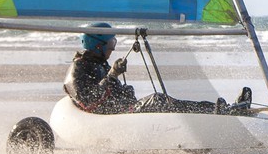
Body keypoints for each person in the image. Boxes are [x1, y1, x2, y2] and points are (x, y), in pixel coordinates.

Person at [63, 24, 256, 115]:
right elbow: (89, 100)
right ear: (98, 46)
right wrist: (113, 75)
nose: (113, 47)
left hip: (123, 110)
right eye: (110, 42)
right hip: (112, 117)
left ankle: (221, 109)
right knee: (158, 99)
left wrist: (123, 89)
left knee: (165, 100)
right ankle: (218, 111)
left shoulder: (98, 63)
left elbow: (109, 92)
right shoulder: (78, 69)